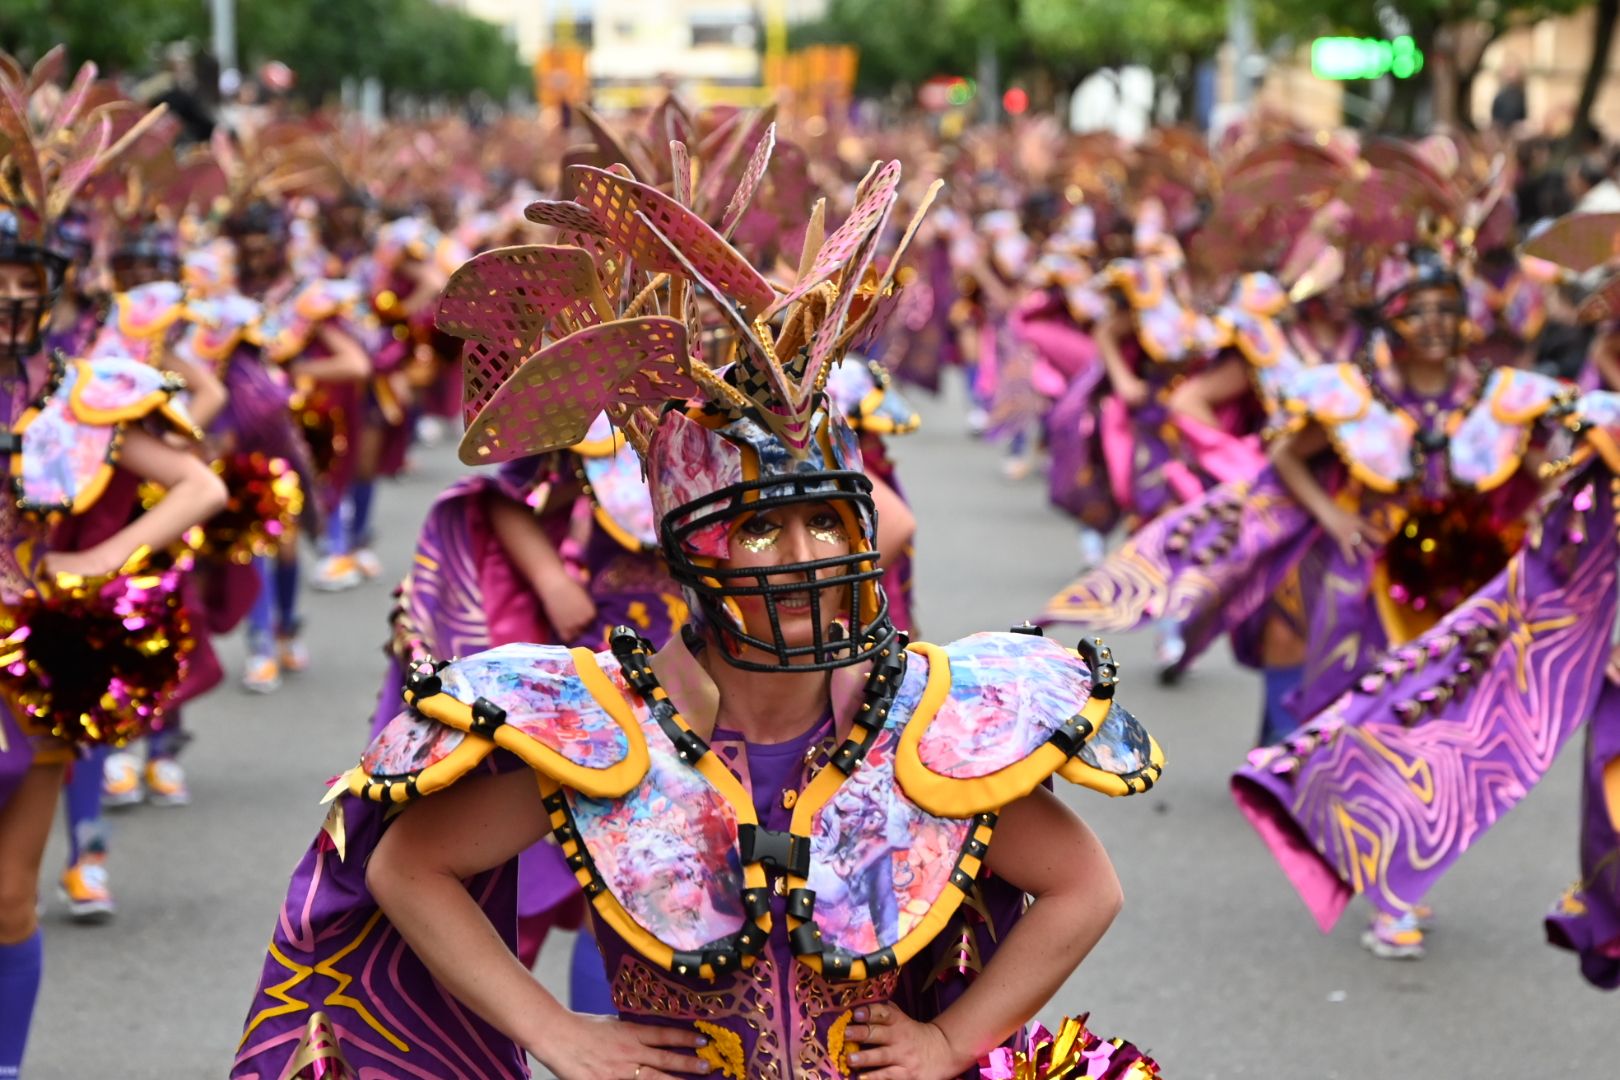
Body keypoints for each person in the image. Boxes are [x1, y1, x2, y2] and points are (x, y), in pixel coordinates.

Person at [235, 143, 1162, 1080]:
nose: (803, 559)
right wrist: (559, 1034)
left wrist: (953, 1042)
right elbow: (406, 868)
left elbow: (1086, 885)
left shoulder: (929, 720)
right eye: (760, 533)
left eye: (827, 524)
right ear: (687, 553)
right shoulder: (604, 732)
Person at [0, 51, 227, 1077]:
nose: (10, 304)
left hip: (26, 661)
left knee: (8, 896)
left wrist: (99, 551)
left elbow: (201, 485)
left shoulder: (72, 390)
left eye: (23, 287)